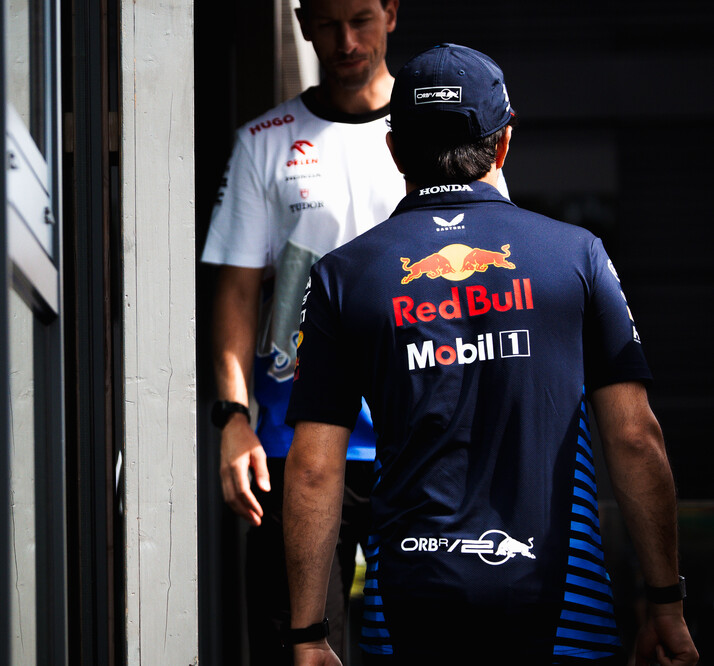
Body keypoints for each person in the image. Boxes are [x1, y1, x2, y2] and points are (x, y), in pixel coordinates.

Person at [283, 44, 699, 665]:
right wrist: (665, 602)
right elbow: (636, 438)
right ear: (504, 144)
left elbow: (315, 468)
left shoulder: (346, 276)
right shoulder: (578, 256)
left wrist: (308, 635)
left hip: (409, 602)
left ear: (396, 153)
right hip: (564, 608)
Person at [202, 0, 407, 659]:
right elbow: (234, 291)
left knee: (425, 636)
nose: (346, 41)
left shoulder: (438, 125)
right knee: (297, 644)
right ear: (303, 23)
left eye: (361, 19)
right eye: (327, 23)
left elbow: (495, 271)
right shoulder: (266, 139)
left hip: (421, 436)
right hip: (296, 443)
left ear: (392, 12)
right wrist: (233, 417)